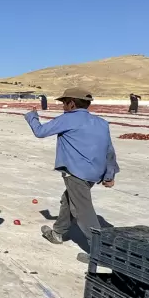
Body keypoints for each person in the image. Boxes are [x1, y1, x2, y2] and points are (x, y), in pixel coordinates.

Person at [24, 87, 119, 246]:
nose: (63, 106)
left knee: (83, 210)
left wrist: (32, 116)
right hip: (95, 172)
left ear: (72, 103)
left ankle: (100, 250)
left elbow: (40, 132)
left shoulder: (67, 119)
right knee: (69, 200)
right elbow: (109, 151)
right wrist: (109, 175)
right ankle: (58, 233)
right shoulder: (101, 123)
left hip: (76, 172)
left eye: (64, 102)